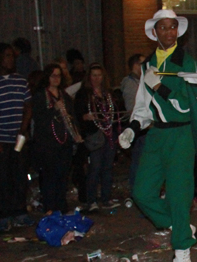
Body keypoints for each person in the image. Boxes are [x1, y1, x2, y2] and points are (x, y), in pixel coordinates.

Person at [118, 9, 197, 262]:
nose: (169, 32)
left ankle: (182, 259)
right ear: (155, 32)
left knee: (178, 195)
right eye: (163, 28)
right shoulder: (147, 64)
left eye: (173, 27)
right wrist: (132, 127)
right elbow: (142, 105)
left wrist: (161, 88)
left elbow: (189, 105)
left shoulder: (187, 63)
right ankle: (182, 228)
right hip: (156, 135)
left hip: (181, 134)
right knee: (141, 192)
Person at [0, 42, 33, 232]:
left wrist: (23, 128)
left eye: (12, 56)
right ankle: (5, 213)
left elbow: (28, 107)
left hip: (18, 137)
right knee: (2, 177)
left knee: (20, 175)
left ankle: (20, 211)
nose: (11, 60)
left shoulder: (21, 81)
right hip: (0, 138)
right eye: (7, 56)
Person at [31, 63, 81, 213]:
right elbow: (38, 119)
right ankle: (50, 208)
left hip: (64, 143)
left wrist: (76, 133)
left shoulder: (64, 96)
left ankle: (61, 208)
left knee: (62, 177)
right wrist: (53, 110)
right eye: (53, 75)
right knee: (49, 178)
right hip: (48, 145)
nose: (56, 79)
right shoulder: (41, 96)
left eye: (59, 75)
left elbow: (72, 116)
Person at [75, 63, 120, 212]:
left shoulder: (108, 93)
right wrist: (85, 117)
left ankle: (106, 198)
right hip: (95, 134)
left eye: (99, 75)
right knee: (94, 167)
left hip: (109, 132)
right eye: (93, 75)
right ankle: (91, 200)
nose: (96, 78)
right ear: (89, 77)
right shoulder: (84, 94)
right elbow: (78, 114)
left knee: (107, 167)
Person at [120, 53, 146, 195]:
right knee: (138, 161)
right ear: (135, 66)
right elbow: (132, 107)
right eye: (142, 64)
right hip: (139, 128)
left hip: (144, 127)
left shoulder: (141, 81)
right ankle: (137, 192)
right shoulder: (130, 83)